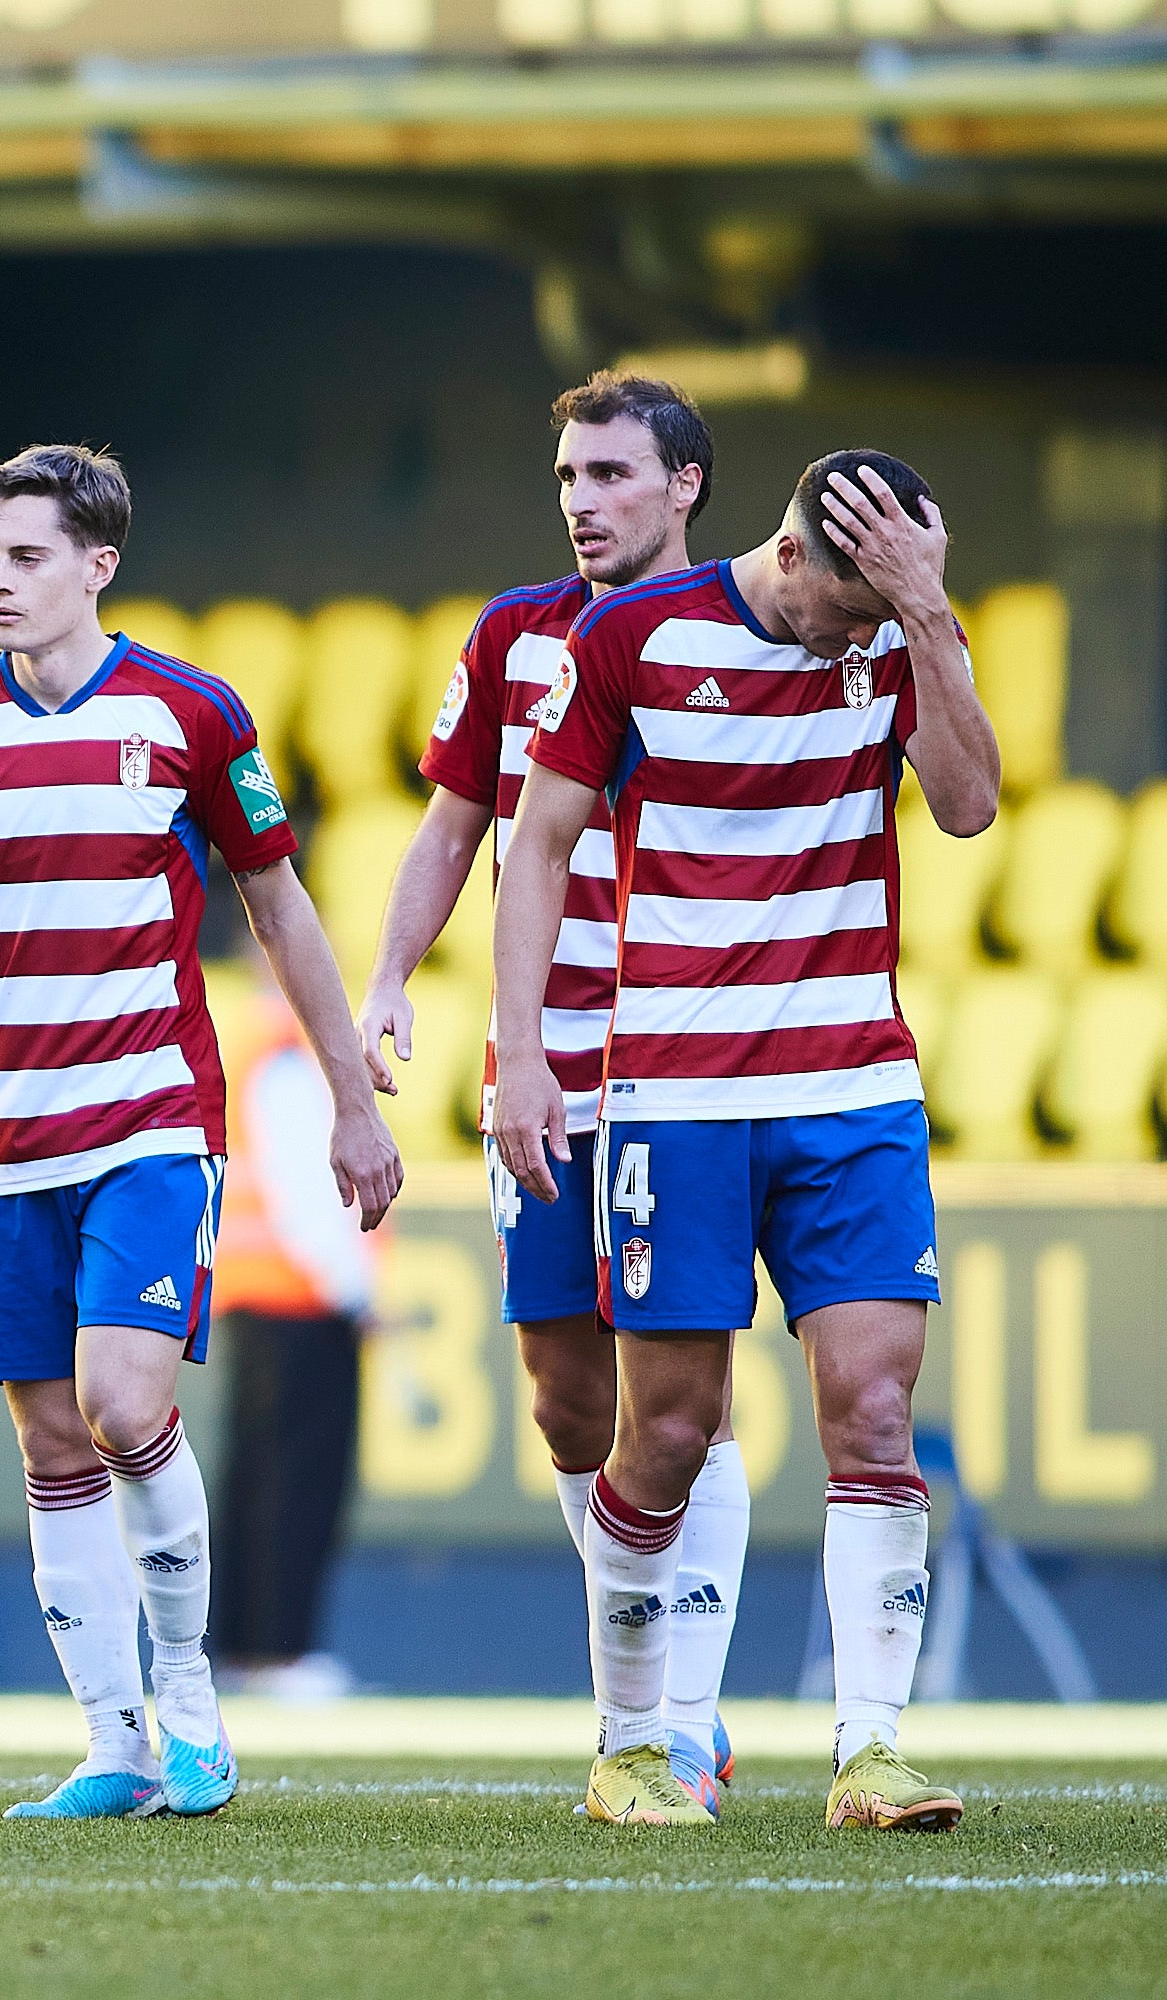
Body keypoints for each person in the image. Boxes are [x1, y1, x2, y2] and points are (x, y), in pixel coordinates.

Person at [0, 443, 402, 1820]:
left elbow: (279, 907)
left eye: (29, 556)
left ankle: (196, 1716)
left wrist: (352, 1101)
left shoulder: (189, 713)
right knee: (50, 1444)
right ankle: (115, 1744)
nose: (1, 581)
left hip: (154, 1117)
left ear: (99, 565)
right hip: (12, 1137)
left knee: (122, 1406)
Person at [493, 450, 999, 1830]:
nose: (863, 634)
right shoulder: (633, 640)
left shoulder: (901, 635)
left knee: (878, 1413)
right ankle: (634, 1743)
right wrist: (526, 1053)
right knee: (665, 1429)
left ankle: (872, 1749)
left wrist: (930, 613)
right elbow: (539, 846)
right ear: (794, 557)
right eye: (859, 605)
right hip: (676, 1093)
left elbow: (966, 804)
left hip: (853, 1087)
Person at [355, 372, 749, 1807]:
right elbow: (455, 824)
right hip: (543, 1058)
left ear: (684, 484)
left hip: (689, 1059)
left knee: (678, 1405)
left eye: (612, 475)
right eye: (570, 476)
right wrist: (392, 976)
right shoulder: (516, 636)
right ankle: (653, 1699)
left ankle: (666, 1722)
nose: (583, 501)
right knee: (568, 1400)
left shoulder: (749, 627)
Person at [207, 975, 377, 1701]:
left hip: (255, 1292)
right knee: (297, 1485)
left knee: (253, 1480)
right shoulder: (292, 1057)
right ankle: (281, 1650)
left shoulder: (255, 1044)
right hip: (302, 1300)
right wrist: (354, 1287)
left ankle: (244, 1647)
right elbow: (307, 1187)